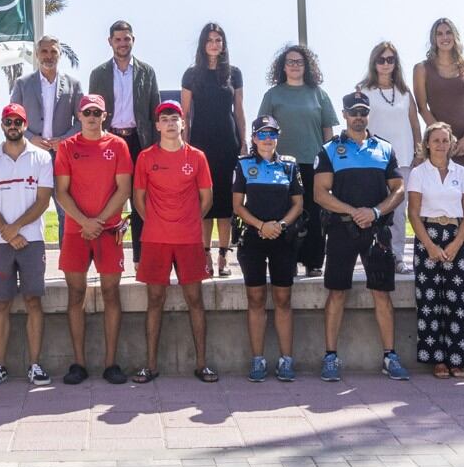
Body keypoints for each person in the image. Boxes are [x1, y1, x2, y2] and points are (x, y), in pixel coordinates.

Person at [315, 90, 407, 382]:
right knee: (337, 292)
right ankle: (330, 357)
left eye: (363, 112)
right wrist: (354, 211)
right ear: (344, 115)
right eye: (353, 112)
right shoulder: (329, 149)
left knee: (382, 293)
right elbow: (319, 193)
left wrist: (375, 213)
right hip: (342, 229)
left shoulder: (384, 148)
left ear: (368, 114)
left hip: (377, 230)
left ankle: (390, 357)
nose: (358, 117)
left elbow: (399, 189)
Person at [131, 101, 216, 383]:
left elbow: (207, 199)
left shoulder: (198, 157)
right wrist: (157, 222)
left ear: (183, 123)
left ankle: (202, 364)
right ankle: (150, 365)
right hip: (155, 239)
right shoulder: (145, 157)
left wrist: (187, 221)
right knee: (155, 299)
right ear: (157, 125)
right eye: (164, 118)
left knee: (195, 299)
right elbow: (139, 200)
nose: (169, 123)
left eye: (174, 118)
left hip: (189, 239)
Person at [54, 93, 133, 385]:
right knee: (76, 295)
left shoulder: (118, 145)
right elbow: (61, 192)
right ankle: (79, 363)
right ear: (79, 115)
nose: (91, 117)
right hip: (77, 231)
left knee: (112, 294)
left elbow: (123, 189)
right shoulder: (67, 147)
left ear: (105, 115)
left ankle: (111, 364)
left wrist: (98, 222)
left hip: (108, 231)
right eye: (86, 112)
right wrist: (84, 222)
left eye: (96, 113)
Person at [0, 103, 56, 385]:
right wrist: (7, 232)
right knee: (2, 303)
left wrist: (16, 229)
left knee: (34, 301)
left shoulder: (41, 158)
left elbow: (43, 199)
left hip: (32, 241)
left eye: (18, 121)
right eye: (8, 121)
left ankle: (35, 365)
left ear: (25, 124)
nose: (13, 126)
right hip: (1, 243)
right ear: (2, 125)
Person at [232, 115, 303, 382]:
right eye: (262, 134)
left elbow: (298, 203)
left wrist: (280, 225)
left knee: (284, 300)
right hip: (253, 239)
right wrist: (261, 226)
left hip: (282, 239)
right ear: (253, 138)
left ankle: (286, 359)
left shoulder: (289, 166)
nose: (267, 139)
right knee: (256, 299)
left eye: (272, 134)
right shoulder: (243, 165)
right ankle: (257, 359)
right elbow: (237, 205)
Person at [407, 122, 464, 379]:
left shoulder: (462, 172)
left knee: (456, 300)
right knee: (429, 300)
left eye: (445, 140)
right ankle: (436, 358)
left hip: (455, 236)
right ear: (427, 143)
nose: (440, 145)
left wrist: (456, 243)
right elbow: (413, 213)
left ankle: (457, 358)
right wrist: (429, 245)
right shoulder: (419, 173)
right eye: (435, 140)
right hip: (427, 236)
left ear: (451, 144)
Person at [258, 44, 338, 276]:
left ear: (307, 66)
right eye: (290, 62)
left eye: (299, 62)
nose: (294, 66)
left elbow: (328, 131)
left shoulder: (319, 94)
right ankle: (286, 260)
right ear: (282, 66)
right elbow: (263, 129)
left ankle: (313, 262)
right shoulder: (272, 95)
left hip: (312, 162)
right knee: (284, 212)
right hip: (280, 164)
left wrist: (328, 162)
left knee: (313, 213)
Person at [88, 20, 160, 262]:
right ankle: (108, 258)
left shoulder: (147, 72)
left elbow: (155, 112)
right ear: (110, 42)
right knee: (110, 199)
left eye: (126, 39)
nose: (122, 43)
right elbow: (93, 111)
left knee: (140, 200)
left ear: (133, 40)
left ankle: (141, 259)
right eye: (118, 39)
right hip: (109, 141)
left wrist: (157, 148)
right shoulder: (98, 74)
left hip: (139, 141)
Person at [181, 22, 246, 277]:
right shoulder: (191, 74)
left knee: (225, 202)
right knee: (205, 201)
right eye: (210, 40)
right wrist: (184, 145)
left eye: (218, 40)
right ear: (202, 43)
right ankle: (204, 254)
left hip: (227, 142)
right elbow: (184, 114)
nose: (214, 44)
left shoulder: (234, 73)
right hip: (200, 143)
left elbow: (239, 110)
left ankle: (223, 256)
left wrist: (244, 141)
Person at [10, 35, 80, 239]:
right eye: (44, 51)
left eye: (53, 52)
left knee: (65, 210)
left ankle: (67, 259)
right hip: (32, 153)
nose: (48, 56)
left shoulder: (73, 84)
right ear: (38, 54)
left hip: (62, 155)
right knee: (28, 206)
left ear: (60, 54)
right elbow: (13, 117)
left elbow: (81, 120)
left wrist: (65, 139)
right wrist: (30, 138)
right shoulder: (23, 84)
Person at [412, 18, 464, 182]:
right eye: (439, 34)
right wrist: (443, 138)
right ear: (434, 39)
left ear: (455, 36)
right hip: (438, 143)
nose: (445, 37)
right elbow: (422, 108)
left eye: (448, 32)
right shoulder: (421, 69)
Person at [358, 41, 421, 178]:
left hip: (405, 160)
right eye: (381, 60)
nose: (386, 64)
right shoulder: (363, 91)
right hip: (375, 161)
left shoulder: (404, 92)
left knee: (404, 200)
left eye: (390, 60)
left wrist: (419, 154)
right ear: (374, 63)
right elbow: (358, 127)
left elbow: (415, 125)